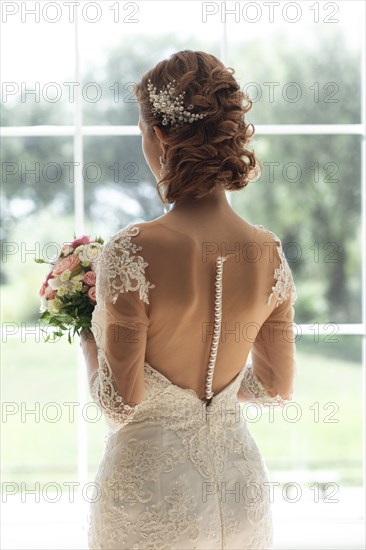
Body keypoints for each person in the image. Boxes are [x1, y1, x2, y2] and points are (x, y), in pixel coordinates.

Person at [80, 49, 297, 550]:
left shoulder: (132, 249)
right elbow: (275, 387)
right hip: (240, 486)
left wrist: (85, 336)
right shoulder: (267, 252)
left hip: (151, 493)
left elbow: (119, 401)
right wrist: (211, 391)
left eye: (141, 130)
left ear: (159, 135)